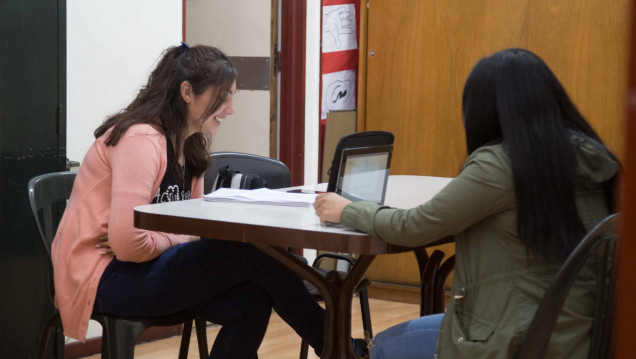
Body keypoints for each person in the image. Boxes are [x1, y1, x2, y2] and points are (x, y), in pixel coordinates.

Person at [314, 48, 619, 359]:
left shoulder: (502, 164)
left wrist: (347, 209)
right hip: (581, 333)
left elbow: (413, 227)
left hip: (517, 337)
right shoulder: (591, 158)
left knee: (382, 347)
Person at [51, 43, 326, 358]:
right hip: (105, 276)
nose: (231, 108)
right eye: (223, 97)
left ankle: (333, 343)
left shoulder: (191, 148)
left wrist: (173, 236)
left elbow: (193, 231)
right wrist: (182, 236)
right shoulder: (141, 140)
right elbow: (129, 244)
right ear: (187, 92)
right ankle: (336, 345)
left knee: (252, 301)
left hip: (146, 267)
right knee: (251, 252)